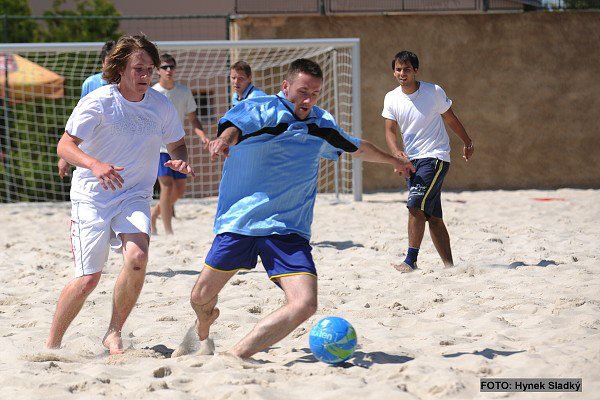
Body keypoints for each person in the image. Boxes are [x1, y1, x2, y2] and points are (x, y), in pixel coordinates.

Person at [185, 58, 415, 360]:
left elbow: (357, 146)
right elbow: (234, 128)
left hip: (287, 230)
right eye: (303, 91)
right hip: (241, 222)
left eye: (315, 93)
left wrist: (396, 161)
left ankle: (235, 356)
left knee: (305, 303)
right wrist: (223, 141)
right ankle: (205, 321)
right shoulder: (260, 108)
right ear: (285, 86)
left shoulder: (320, 124)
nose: (308, 100)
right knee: (200, 297)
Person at [46, 35, 194, 354]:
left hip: (134, 194)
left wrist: (180, 157)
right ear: (121, 68)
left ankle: (113, 332)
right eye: (138, 69)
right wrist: (94, 164)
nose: (145, 76)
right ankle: (53, 343)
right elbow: (65, 145)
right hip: (92, 197)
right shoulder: (99, 101)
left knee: (137, 258)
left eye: (149, 70)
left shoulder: (160, 105)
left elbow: (176, 142)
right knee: (88, 279)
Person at [382, 50, 474, 273]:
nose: (402, 73)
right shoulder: (391, 97)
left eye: (406, 69)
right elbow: (390, 131)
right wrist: (396, 153)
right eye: (398, 69)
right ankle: (450, 267)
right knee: (432, 216)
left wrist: (467, 142)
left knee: (414, 205)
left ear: (415, 70)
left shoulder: (433, 91)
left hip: (435, 157)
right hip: (412, 162)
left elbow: (450, 118)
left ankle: (410, 261)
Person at [150, 53, 209, 235]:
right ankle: (168, 231)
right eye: (165, 67)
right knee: (166, 186)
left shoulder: (184, 91)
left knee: (180, 190)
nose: (169, 70)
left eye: (171, 67)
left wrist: (202, 136)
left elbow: (193, 118)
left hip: (177, 146)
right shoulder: (152, 92)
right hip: (158, 148)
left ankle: (154, 214)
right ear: (158, 71)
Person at [58, 40, 116, 179]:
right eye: (109, 62)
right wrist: (66, 157)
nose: (112, 66)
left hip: (118, 144)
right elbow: (79, 119)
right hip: (93, 146)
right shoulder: (91, 83)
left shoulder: (126, 85)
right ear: (102, 62)